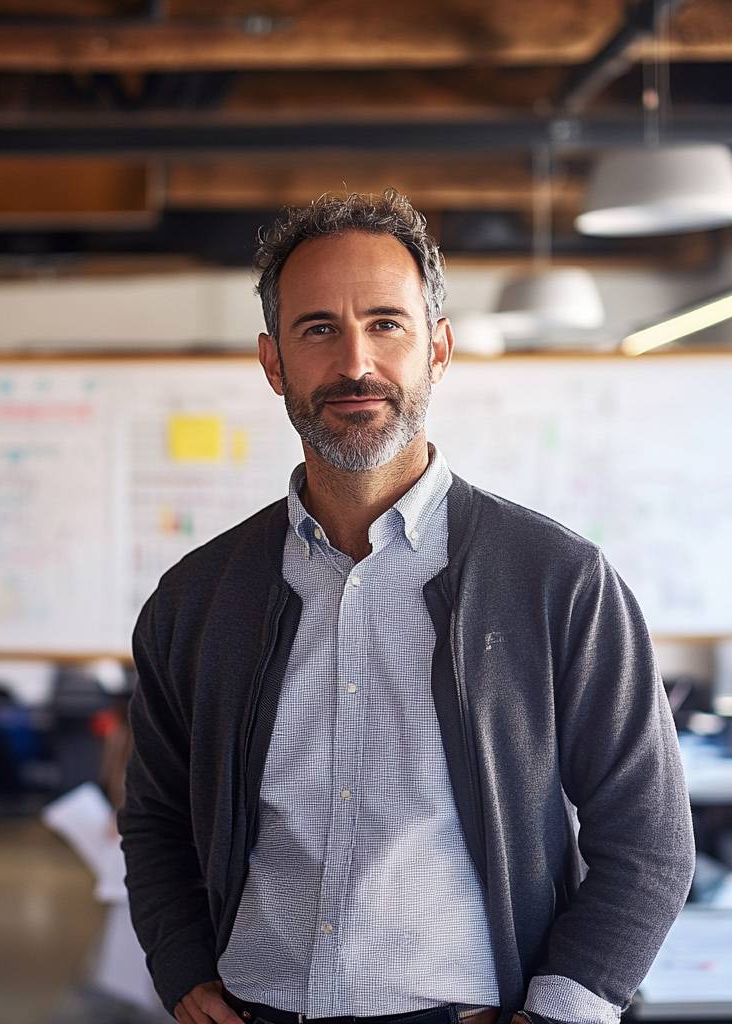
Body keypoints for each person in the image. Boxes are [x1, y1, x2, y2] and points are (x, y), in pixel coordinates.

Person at [119, 190, 695, 1024]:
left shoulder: (557, 579)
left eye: (387, 324)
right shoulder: (197, 599)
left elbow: (648, 836)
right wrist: (180, 967)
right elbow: (156, 817)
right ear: (273, 361)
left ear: (439, 350)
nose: (356, 362)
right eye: (318, 328)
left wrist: (565, 1008)